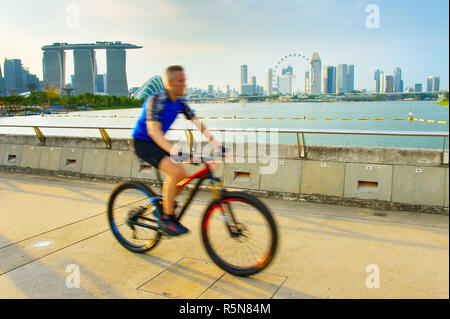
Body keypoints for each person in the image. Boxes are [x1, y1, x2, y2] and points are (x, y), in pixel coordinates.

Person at [132, 65, 223, 236]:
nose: (184, 84)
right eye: (181, 81)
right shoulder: (157, 99)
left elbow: (196, 122)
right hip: (143, 142)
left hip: (158, 143)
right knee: (176, 171)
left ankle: (166, 204)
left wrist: (216, 143)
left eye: (184, 80)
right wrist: (177, 153)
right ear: (170, 82)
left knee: (182, 174)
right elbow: (154, 132)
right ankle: (167, 219)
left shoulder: (180, 101)